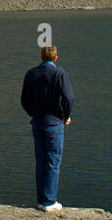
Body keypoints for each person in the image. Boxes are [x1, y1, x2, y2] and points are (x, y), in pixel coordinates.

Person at [20, 44, 74, 211]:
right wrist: (66, 115)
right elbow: (69, 97)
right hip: (54, 123)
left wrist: (33, 113)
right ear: (56, 58)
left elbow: (24, 99)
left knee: (41, 161)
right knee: (53, 161)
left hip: (37, 122)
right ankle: (50, 201)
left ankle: (41, 200)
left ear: (41, 57)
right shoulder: (59, 73)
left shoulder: (31, 73)